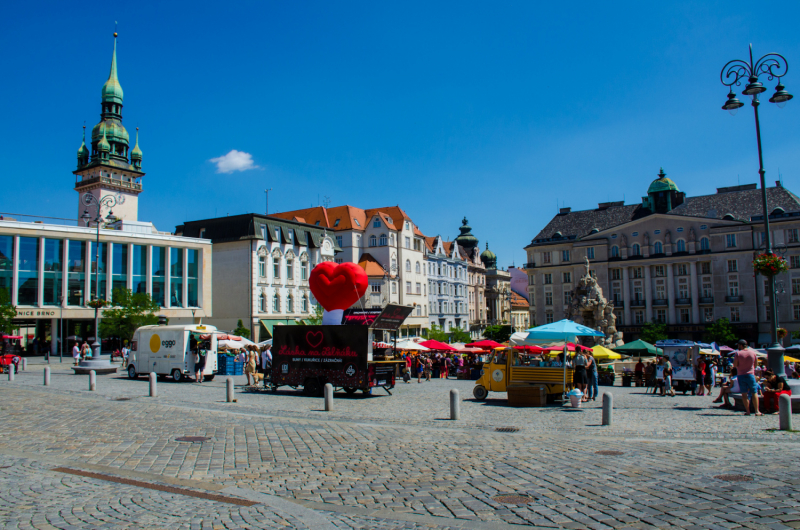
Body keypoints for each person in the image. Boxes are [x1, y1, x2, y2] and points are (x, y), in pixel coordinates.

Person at [733, 339, 761, 416]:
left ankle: (748, 411)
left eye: (738, 345)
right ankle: (757, 411)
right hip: (751, 375)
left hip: (741, 375)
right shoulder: (753, 353)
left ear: (741, 345)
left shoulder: (738, 353)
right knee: (754, 392)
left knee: (744, 394)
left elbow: (735, 365)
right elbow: (756, 365)